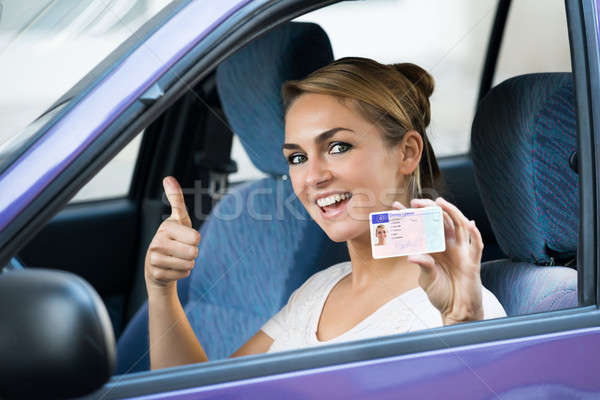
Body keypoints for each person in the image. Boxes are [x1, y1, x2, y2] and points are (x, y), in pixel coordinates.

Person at [145, 57, 507, 369]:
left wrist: (463, 327)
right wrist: (162, 291)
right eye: (298, 158)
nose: (314, 177)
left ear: (407, 153)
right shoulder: (318, 290)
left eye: (338, 146)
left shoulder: (463, 306)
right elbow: (201, 394)